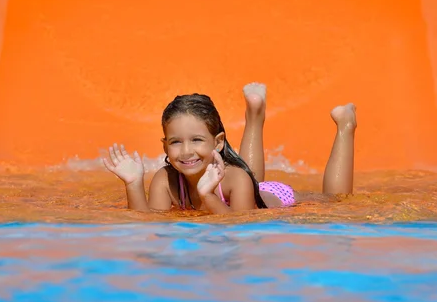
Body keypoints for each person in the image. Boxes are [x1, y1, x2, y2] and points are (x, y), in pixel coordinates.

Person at [102, 83, 356, 214]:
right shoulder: (165, 179)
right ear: (165, 146)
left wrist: (208, 196)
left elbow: (238, 226)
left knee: (337, 201)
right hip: (240, 185)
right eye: (176, 142)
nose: (187, 151)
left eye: (197, 140)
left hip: (275, 197)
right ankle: (255, 113)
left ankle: (346, 125)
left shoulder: (236, 178)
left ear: (218, 142)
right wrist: (133, 184)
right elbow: (148, 223)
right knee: (246, 174)